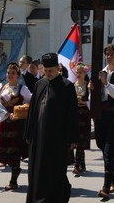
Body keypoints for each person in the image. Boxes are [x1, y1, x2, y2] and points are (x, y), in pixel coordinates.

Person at [24, 53, 79, 203]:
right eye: (46, 70)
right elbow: (33, 110)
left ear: (58, 69)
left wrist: (72, 138)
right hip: (38, 136)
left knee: (55, 171)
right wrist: (28, 133)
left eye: (51, 71)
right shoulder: (39, 84)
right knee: (37, 170)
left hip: (57, 138)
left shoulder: (67, 86)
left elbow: (72, 113)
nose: (48, 74)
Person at [89, 43, 114, 199]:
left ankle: (106, 186)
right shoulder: (100, 73)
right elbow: (93, 100)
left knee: (109, 151)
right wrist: (91, 89)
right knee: (102, 146)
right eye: (106, 54)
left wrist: (106, 83)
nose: (108, 57)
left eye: (111, 54)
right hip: (101, 116)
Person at [0, 61, 32, 190]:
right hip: (4, 123)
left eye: (13, 73)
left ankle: (13, 180)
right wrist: (6, 114)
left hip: (16, 125)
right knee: (5, 151)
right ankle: (14, 171)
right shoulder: (1, 89)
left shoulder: (23, 89)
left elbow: (31, 101)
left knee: (15, 150)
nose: (10, 75)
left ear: (18, 75)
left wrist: (22, 109)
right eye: (9, 73)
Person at [72, 63, 91, 176]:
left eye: (81, 72)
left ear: (84, 73)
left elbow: (91, 100)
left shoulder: (88, 85)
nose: (78, 74)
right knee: (77, 140)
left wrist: (85, 102)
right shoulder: (73, 85)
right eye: (77, 72)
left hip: (84, 115)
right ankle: (82, 164)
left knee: (81, 140)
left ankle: (77, 165)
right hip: (76, 115)